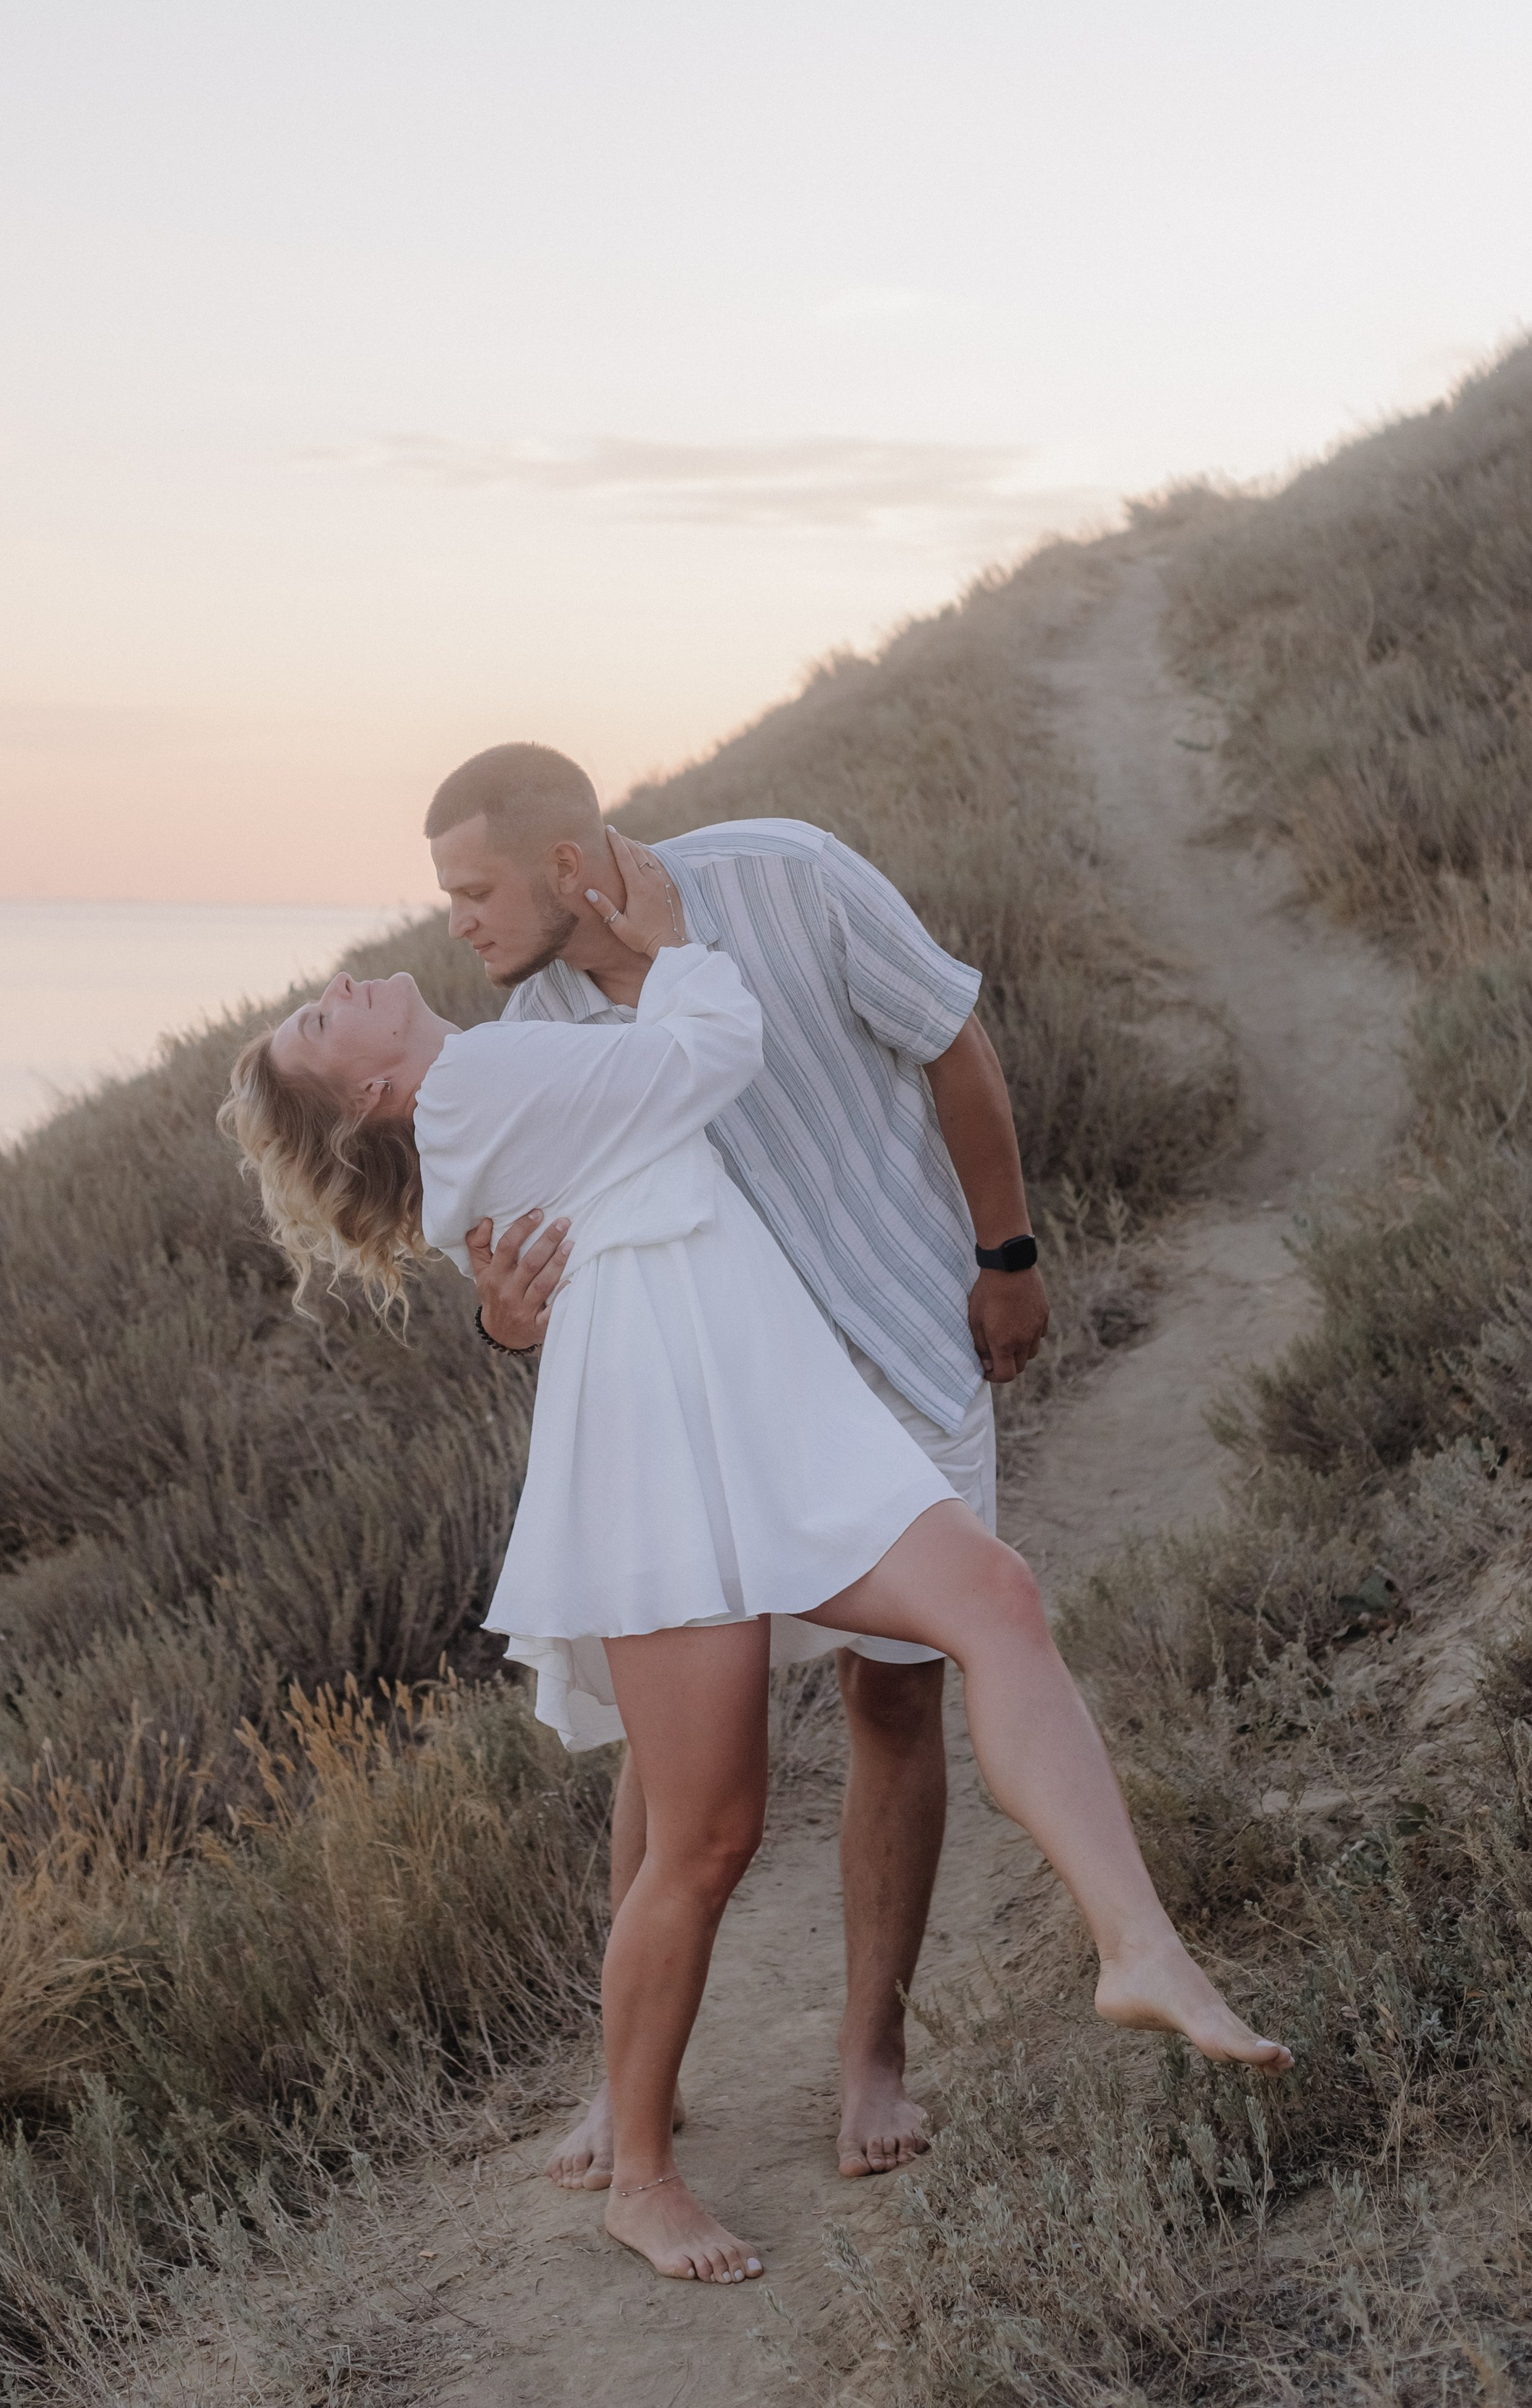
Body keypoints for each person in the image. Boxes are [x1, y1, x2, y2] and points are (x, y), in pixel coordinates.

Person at [220, 843, 1291, 2290]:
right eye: (312, 1020)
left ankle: (1136, 1945)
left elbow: (555, 1206)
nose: (337, 987)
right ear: (366, 1092)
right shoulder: (475, 1084)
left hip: (776, 1402)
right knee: (705, 1835)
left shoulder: (497, 1066)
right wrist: (670, 947)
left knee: (993, 1604)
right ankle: (641, 2169)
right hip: (667, 1438)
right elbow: (705, 1055)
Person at [425, 743, 1045, 2188]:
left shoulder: (787, 875)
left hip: (894, 1348)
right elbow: (516, 1265)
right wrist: (502, 1319)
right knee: (666, 1747)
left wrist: (1003, 1254)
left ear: (569, 864)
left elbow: (952, 1041)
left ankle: (869, 2058)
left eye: (472, 889)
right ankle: (635, 2090)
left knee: (895, 1699)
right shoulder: (528, 1023)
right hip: (707, 1416)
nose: (454, 920)